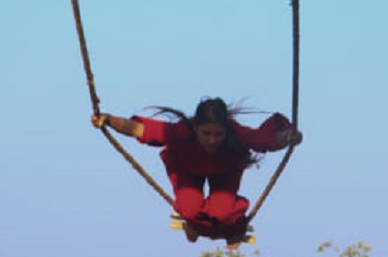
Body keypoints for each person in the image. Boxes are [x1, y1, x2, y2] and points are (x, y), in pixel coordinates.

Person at [92, 98, 302, 248]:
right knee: (190, 209)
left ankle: (230, 229)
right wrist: (108, 119)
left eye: (218, 134)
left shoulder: (236, 135)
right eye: (206, 134)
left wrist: (288, 137)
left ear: (226, 131)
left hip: (225, 169)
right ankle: (194, 226)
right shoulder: (181, 133)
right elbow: (140, 129)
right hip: (186, 169)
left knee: (222, 213)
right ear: (196, 129)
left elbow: (262, 138)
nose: (212, 140)